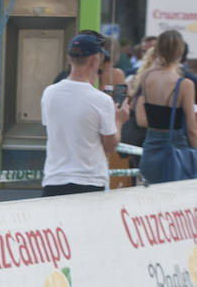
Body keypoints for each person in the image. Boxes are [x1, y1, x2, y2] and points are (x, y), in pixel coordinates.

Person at [41, 34, 130, 196]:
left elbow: (52, 129)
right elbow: (110, 146)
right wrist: (119, 120)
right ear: (94, 60)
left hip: (54, 179)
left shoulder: (49, 93)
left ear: (69, 58)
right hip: (89, 181)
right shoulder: (101, 100)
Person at [134, 29, 197, 184]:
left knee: (149, 202)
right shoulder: (184, 84)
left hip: (149, 146)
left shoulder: (146, 76)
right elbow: (191, 129)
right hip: (175, 149)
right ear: (180, 52)